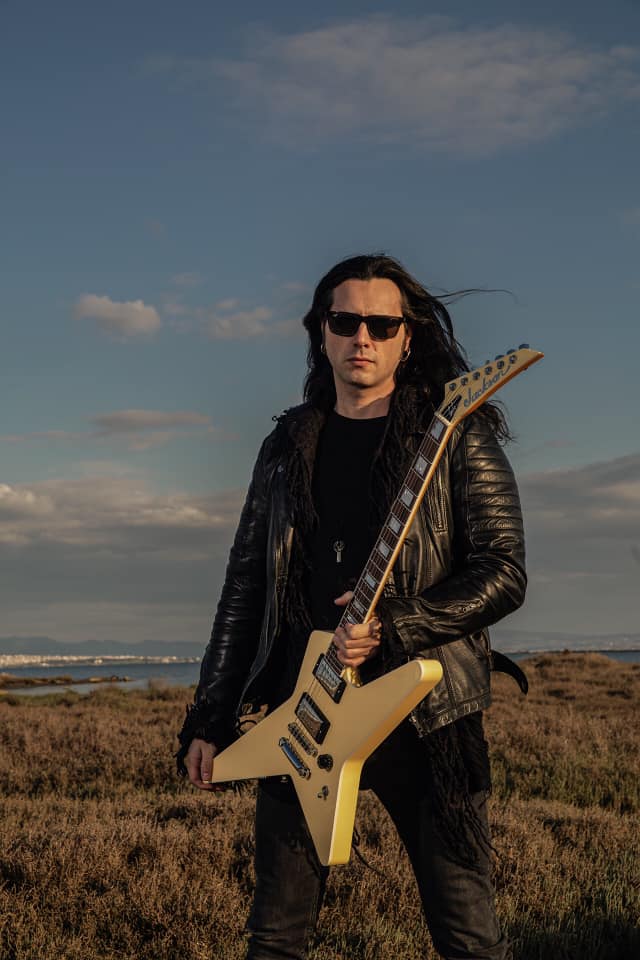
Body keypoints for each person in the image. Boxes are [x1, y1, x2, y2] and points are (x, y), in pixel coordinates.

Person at [177, 253, 528, 960]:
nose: (362, 337)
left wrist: (397, 623)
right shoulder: (287, 445)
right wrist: (210, 718)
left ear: (407, 337)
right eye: (345, 321)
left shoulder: (454, 432)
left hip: (426, 713)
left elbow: (504, 571)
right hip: (302, 709)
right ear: (322, 332)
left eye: (381, 324)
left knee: (468, 936)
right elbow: (245, 587)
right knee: (275, 937)